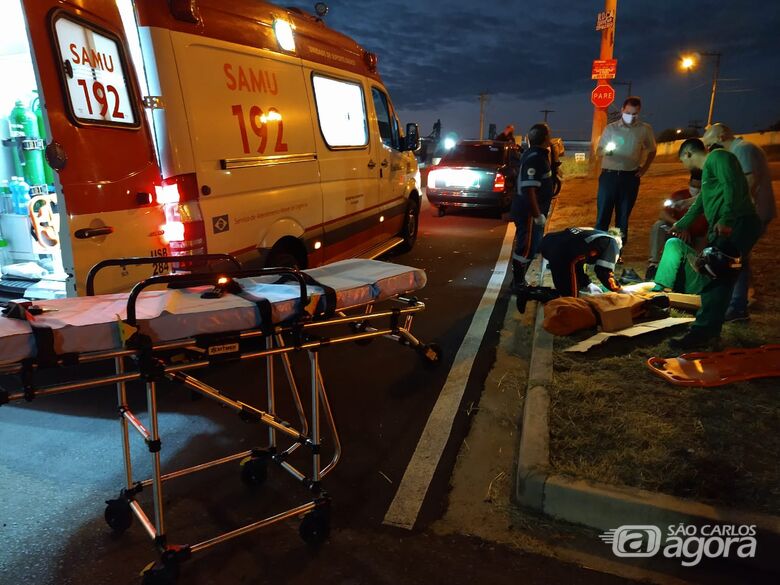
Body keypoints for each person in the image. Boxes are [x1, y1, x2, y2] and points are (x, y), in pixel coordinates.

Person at [668, 138, 761, 349]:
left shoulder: (719, 157)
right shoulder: (710, 171)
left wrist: (726, 219)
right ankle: (710, 331)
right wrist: (681, 224)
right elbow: (701, 202)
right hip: (732, 224)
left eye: (682, 160)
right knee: (723, 275)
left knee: (716, 273)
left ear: (688, 154)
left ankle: (702, 332)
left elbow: (734, 186)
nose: (684, 165)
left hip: (739, 223)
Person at [701, 123, 776, 321]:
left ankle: (737, 307)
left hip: (752, 213)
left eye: (712, 145)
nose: (711, 151)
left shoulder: (742, 150)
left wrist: (731, 216)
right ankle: (742, 300)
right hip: (750, 212)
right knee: (741, 257)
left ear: (723, 136)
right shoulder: (742, 150)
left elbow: (748, 183)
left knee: (735, 258)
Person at [595, 96, 657, 251]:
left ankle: (616, 250)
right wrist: (607, 150)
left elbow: (652, 150)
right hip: (609, 176)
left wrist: (644, 169)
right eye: (628, 112)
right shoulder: (611, 128)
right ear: (622, 110)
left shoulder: (644, 129)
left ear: (639, 112)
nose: (631, 116)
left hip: (630, 178)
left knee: (622, 218)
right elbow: (598, 151)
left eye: (635, 114)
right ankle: (597, 248)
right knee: (603, 214)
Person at [509, 123, 555, 290]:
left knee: (532, 247)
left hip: (531, 211)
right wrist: (537, 215)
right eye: (549, 134)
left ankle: (518, 282)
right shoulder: (536, 158)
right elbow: (529, 189)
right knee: (526, 248)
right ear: (545, 139)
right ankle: (518, 284)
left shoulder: (535, 154)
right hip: (529, 212)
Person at [645, 169, 704, 280]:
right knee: (659, 225)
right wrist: (679, 226)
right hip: (678, 233)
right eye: (693, 186)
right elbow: (663, 214)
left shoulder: (707, 201)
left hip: (697, 238)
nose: (695, 190)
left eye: (699, 188)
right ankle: (654, 265)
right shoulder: (679, 196)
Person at [540, 227, 624, 297]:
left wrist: (587, 283)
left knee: (564, 288)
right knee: (571, 297)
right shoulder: (612, 243)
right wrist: (619, 289)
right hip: (563, 252)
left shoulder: (595, 235)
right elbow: (604, 272)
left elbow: (577, 263)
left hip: (548, 243)